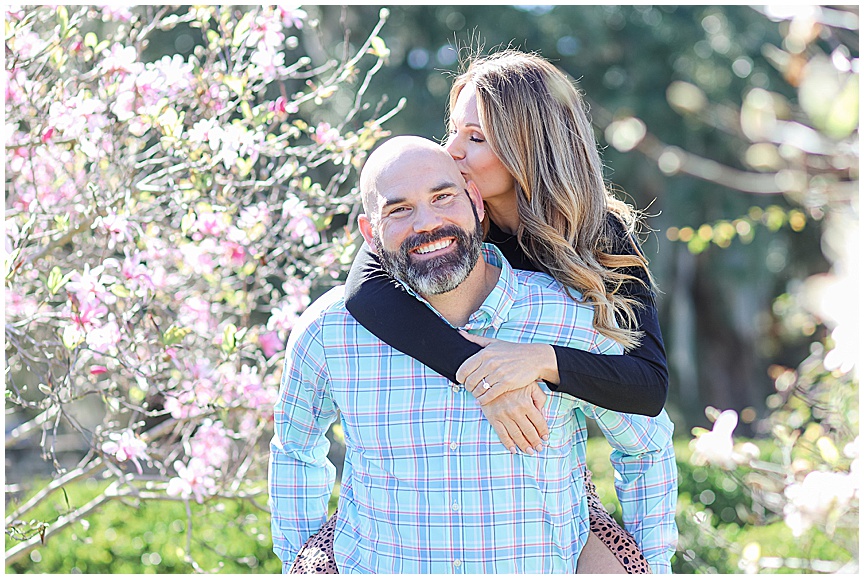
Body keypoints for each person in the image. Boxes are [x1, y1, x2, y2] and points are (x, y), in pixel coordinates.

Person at [269, 136, 678, 574]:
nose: (426, 223)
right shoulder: (329, 331)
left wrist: (652, 563)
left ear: (477, 205)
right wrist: (301, 558)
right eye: (399, 209)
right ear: (371, 234)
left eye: (443, 197)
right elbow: (295, 450)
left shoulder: (571, 317)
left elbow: (646, 449)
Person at [342, 49, 671, 572]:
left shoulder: (598, 236)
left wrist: (538, 360)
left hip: (550, 484)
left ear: (528, 151)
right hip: (408, 507)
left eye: (475, 138)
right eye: (454, 130)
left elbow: (646, 387)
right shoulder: (449, 222)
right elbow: (364, 289)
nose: (450, 151)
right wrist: (483, 377)